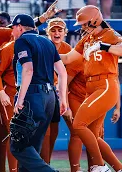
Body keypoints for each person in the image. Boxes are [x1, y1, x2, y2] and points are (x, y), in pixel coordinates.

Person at [59, 5, 122, 172]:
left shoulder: (109, 34)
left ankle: (100, 166)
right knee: (94, 135)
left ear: (94, 20)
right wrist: (46, 51)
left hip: (105, 84)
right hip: (91, 87)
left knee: (78, 124)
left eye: (85, 24)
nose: (83, 28)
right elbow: (69, 58)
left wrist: (104, 46)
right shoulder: (86, 40)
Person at [9, 13, 68, 172]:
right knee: (32, 146)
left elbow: (28, 70)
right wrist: (62, 99)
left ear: (19, 27)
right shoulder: (48, 42)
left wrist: (20, 99)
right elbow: (62, 72)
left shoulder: (22, 41)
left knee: (18, 145)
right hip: (50, 98)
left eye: (13, 29)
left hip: (32, 95)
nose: (12, 32)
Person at [40, 17, 73, 165]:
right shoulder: (41, 45)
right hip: (43, 92)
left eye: (60, 30)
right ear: (47, 32)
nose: (57, 33)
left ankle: (46, 163)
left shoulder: (69, 50)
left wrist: (64, 100)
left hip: (60, 93)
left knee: (54, 130)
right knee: (43, 130)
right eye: (53, 30)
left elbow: (70, 77)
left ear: (65, 32)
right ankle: (42, 164)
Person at [0, 40, 18, 172]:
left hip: (31, 94)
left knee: (30, 134)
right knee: (14, 133)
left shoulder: (37, 44)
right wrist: (2, 92)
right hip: (11, 93)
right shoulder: (8, 48)